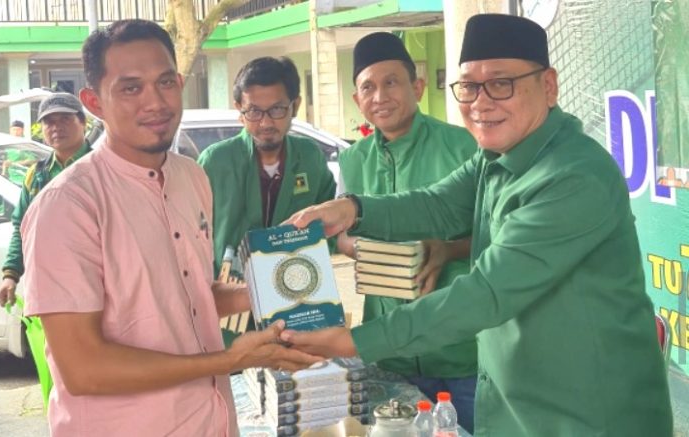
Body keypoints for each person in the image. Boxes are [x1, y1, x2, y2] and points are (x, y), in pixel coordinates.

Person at [281, 14, 673, 436]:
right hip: (514, 404)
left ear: (549, 86)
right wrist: (352, 209)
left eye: (501, 83)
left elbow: (485, 294)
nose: (481, 103)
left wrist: (355, 341)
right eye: (469, 86)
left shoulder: (574, 176)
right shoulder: (496, 157)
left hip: (587, 414)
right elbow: (437, 204)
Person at [20, 19, 320, 436]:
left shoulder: (191, 177)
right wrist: (231, 360)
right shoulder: (67, 206)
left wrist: (276, 289)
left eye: (165, 82)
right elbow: (83, 369)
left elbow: (190, 294)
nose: (156, 102)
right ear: (94, 102)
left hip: (211, 421)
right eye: (131, 88)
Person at [337, 32, 478, 432]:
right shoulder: (352, 160)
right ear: (357, 100)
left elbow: (494, 234)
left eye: (392, 82)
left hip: (459, 351)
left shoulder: (464, 147)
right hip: (389, 350)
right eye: (368, 87)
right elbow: (341, 237)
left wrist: (447, 250)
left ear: (417, 87)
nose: (380, 96)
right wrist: (368, 252)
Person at [197, 56, 336, 277]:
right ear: (239, 109)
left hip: (295, 286)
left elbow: (330, 227)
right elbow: (193, 238)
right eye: (254, 111)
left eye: (277, 109)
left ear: (295, 106)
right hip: (229, 292)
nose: (266, 123)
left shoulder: (310, 157)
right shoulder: (215, 162)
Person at [0, 93, 91, 307]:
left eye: (65, 119)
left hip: (95, 283)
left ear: (82, 122)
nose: (56, 127)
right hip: (48, 285)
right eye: (49, 122)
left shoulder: (104, 168)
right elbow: (22, 226)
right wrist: (11, 275)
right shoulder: (37, 174)